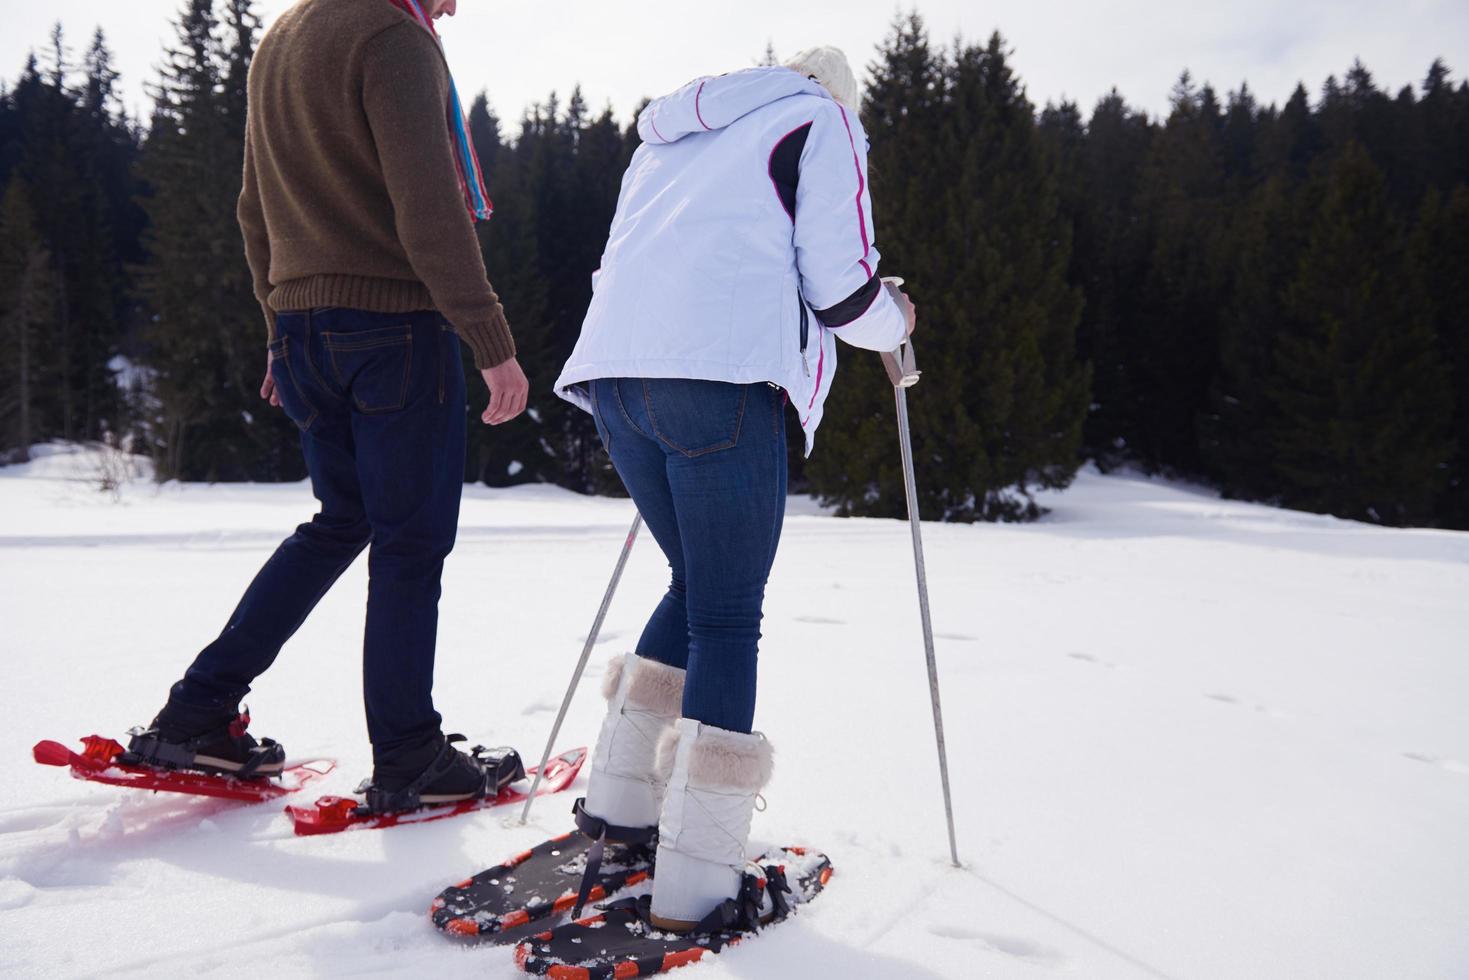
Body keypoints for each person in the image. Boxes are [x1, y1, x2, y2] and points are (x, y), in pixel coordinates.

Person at [126, 0, 531, 813]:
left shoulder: (285, 35)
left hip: (308, 329)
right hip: (396, 332)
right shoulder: (392, 37)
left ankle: (195, 712)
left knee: (340, 522)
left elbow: (254, 211)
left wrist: (281, 330)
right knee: (409, 547)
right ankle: (409, 755)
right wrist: (492, 341)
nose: (457, 5)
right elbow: (428, 208)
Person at [553, 47, 917, 929]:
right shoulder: (822, 120)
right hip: (720, 384)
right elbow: (839, 286)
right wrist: (896, 317)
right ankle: (696, 878)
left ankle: (620, 804)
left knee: (693, 586)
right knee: (725, 614)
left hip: (616, 382)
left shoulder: (670, 136)